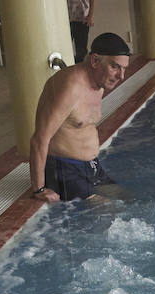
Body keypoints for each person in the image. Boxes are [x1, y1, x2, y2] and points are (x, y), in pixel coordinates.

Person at [28, 32, 130, 204]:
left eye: (124, 69)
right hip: (64, 169)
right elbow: (39, 138)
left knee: (129, 201)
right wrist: (38, 189)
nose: (121, 76)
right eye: (115, 67)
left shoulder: (99, 81)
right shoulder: (71, 86)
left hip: (91, 167)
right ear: (95, 60)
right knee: (113, 210)